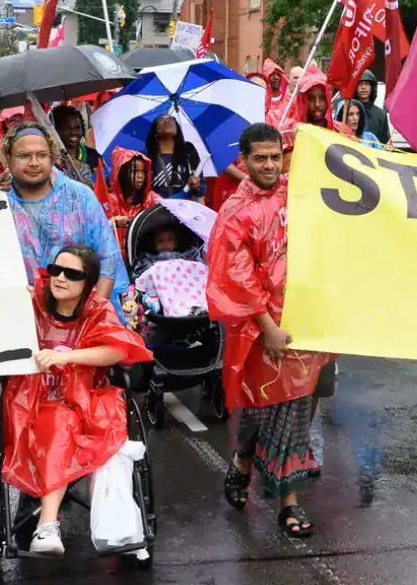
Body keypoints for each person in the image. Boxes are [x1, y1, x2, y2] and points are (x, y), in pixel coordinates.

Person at [209, 123, 328, 538]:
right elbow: (236, 276)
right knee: (261, 405)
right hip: (258, 330)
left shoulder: (297, 193)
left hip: (301, 320)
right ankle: (243, 458)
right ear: (244, 161)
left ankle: (288, 502)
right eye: (260, 158)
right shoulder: (235, 212)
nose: (269, 165)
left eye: (275, 156)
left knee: (292, 411)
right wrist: (267, 326)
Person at [4, 245, 154, 556]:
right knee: (58, 421)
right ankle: (46, 525)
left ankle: (110, 528)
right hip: (33, 399)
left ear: (87, 283)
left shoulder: (98, 310)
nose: (59, 278)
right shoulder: (30, 301)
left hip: (86, 398)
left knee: (99, 430)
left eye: (72, 274)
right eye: (55, 269)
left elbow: (118, 349)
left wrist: (68, 356)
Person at [0, 125, 131, 310]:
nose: (34, 163)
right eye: (24, 155)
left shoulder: (80, 196)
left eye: (42, 155)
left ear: (52, 157)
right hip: (20, 316)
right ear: (7, 158)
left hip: (80, 312)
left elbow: (108, 259)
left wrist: (91, 315)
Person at [99, 149, 159, 252]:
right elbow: (97, 229)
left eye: (143, 172)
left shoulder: (151, 199)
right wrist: (112, 223)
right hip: (115, 259)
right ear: (121, 172)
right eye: (135, 171)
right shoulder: (109, 201)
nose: (140, 176)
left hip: (141, 258)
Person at [145, 115, 205, 200]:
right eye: (162, 119)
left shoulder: (188, 150)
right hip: (155, 210)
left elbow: (201, 188)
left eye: (172, 119)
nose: (168, 121)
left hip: (183, 209)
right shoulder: (146, 155)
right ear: (155, 129)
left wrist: (197, 185)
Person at [51, 104, 102, 185]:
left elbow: (105, 184)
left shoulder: (94, 156)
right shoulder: (52, 160)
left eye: (77, 128)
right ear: (57, 130)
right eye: (67, 129)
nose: (74, 133)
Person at [353, 71, 392, 143]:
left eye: (367, 84)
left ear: (372, 87)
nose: (363, 87)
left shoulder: (380, 114)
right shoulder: (348, 111)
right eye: (360, 84)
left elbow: (385, 142)